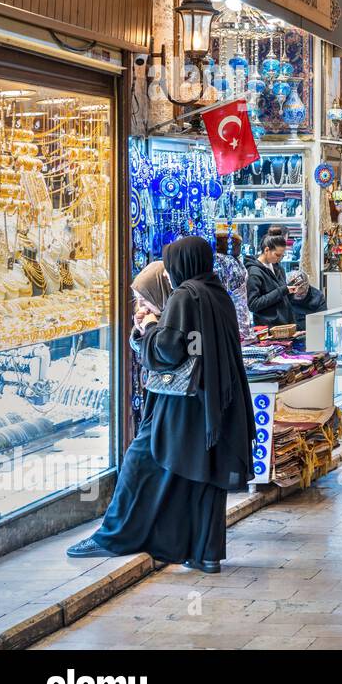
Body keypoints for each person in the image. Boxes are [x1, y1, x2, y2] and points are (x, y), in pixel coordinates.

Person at [67, 237, 253, 573]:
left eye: (170, 267)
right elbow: (199, 345)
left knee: (142, 459)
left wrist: (150, 327)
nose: (168, 275)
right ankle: (205, 553)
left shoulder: (186, 295)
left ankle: (114, 535)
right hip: (212, 403)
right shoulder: (216, 293)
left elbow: (170, 349)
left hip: (180, 402)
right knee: (204, 474)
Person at [244, 235, 295, 327]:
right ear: (266, 250)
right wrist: (282, 290)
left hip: (285, 324)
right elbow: (253, 304)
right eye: (277, 255)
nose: (279, 259)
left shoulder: (278, 267)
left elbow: (282, 297)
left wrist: (291, 290)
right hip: (268, 328)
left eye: (282, 256)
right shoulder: (254, 272)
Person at [213, 229, 253, 341]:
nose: (240, 248)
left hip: (238, 312)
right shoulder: (222, 261)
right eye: (238, 245)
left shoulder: (231, 260)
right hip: (233, 313)